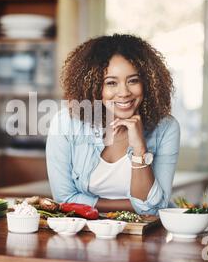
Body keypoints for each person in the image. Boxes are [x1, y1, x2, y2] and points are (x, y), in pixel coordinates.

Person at [46, 34, 180, 215]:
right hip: (85, 233)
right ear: (92, 87)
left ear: (147, 83)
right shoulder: (66, 123)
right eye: (111, 83)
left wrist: (140, 150)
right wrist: (132, 206)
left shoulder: (166, 128)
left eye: (133, 80)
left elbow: (154, 209)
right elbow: (65, 199)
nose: (124, 92)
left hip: (147, 236)